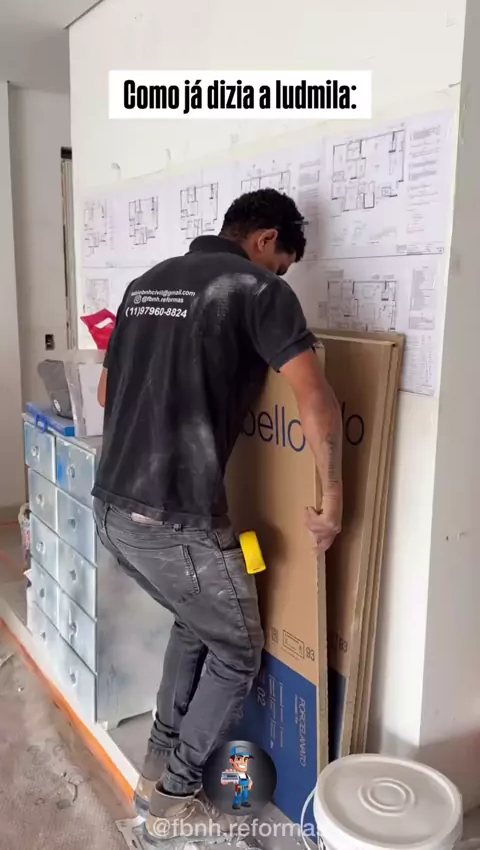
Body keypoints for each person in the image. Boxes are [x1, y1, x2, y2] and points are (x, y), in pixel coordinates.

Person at [93, 188, 342, 844]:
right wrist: (332, 500)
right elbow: (316, 397)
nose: (280, 276)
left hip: (113, 506)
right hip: (175, 517)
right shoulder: (255, 289)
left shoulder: (145, 284)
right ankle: (173, 800)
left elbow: (107, 390)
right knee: (237, 650)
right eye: (282, 264)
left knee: (196, 622)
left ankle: (155, 769)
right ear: (265, 240)